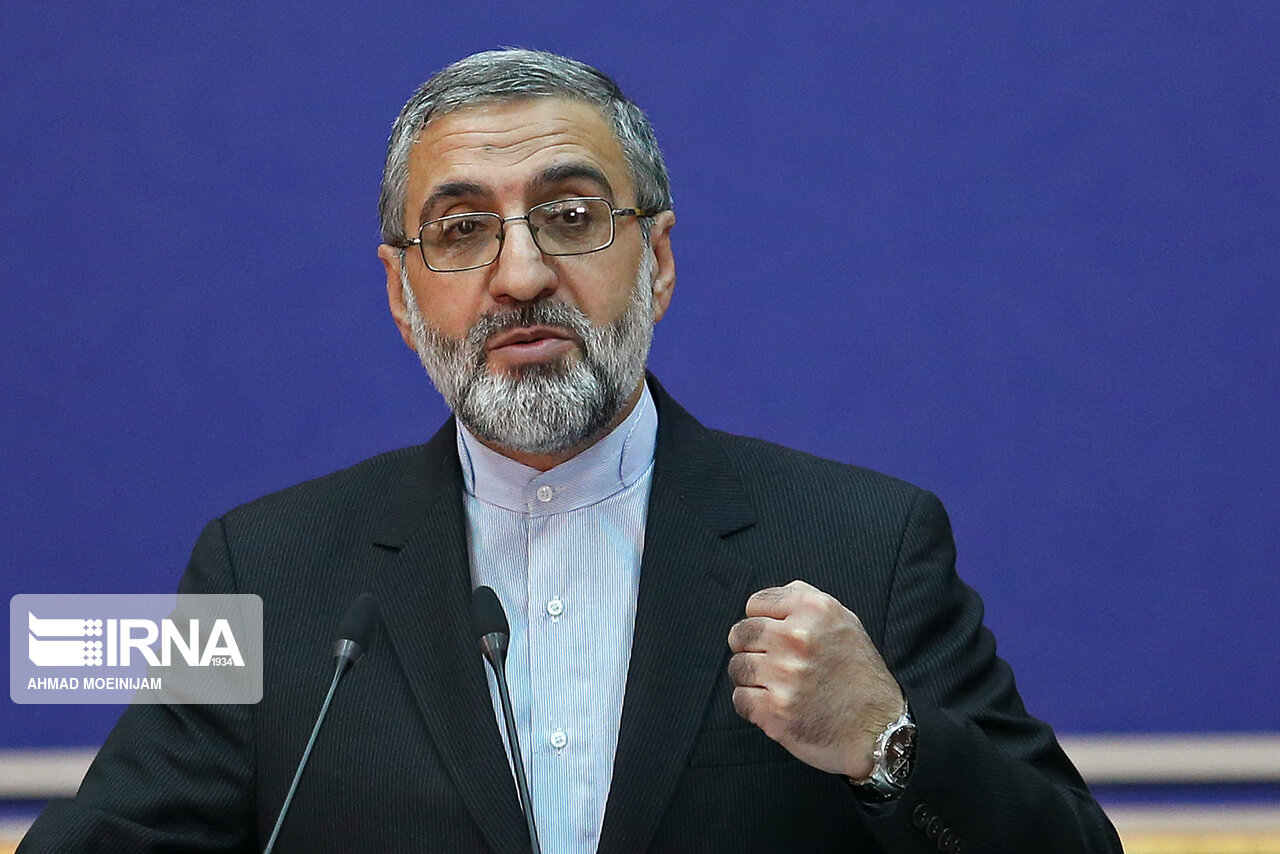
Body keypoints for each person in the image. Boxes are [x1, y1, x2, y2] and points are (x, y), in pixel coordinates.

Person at [20, 49, 1122, 853]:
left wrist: (887, 742)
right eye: (461, 230)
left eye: (571, 215)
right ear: (401, 295)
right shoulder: (258, 570)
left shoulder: (866, 544)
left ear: (659, 261)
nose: (520, 276)